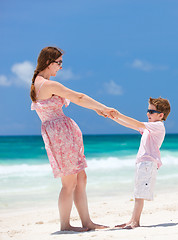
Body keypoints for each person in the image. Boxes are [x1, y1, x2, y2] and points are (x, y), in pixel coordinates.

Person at [30, 46, 112, 232]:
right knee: (69, 183)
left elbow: (78, 99)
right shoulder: (48, 85)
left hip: (62, 134)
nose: (60, 67)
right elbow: (79, 97)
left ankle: (87, 222)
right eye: (59, 63)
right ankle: (65, 225)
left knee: (81, 178)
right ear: (48, 63)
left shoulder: (40, 82)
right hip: (60, 136)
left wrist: (98, 110)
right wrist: (104, 108)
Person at [109, 97, 171, 229]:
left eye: (151, 111)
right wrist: (113, 117)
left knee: (139, 194)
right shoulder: (150, 128)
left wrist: (119, 114)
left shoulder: (158, 126)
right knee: (138, 192)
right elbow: (131, 125)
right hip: (143, 163)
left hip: (148, 163)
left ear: (161, 115)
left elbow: (137, 123)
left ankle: (135, 221)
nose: (148, 114)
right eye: (147, 110)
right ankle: (132, 220)